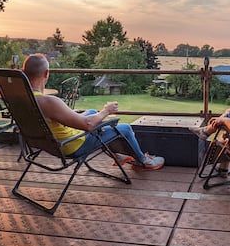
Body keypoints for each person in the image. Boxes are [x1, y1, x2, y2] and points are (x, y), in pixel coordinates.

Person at [22, 53, 164, 170]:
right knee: (125, 128)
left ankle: (118, 155)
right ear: (46, 73)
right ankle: (144, 161)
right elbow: (88, 125)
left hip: (45, 143)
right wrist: (106, 111)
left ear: (24, 73)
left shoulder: (20, 98)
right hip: (71, 145)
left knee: (91, 111)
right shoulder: (48, 102)